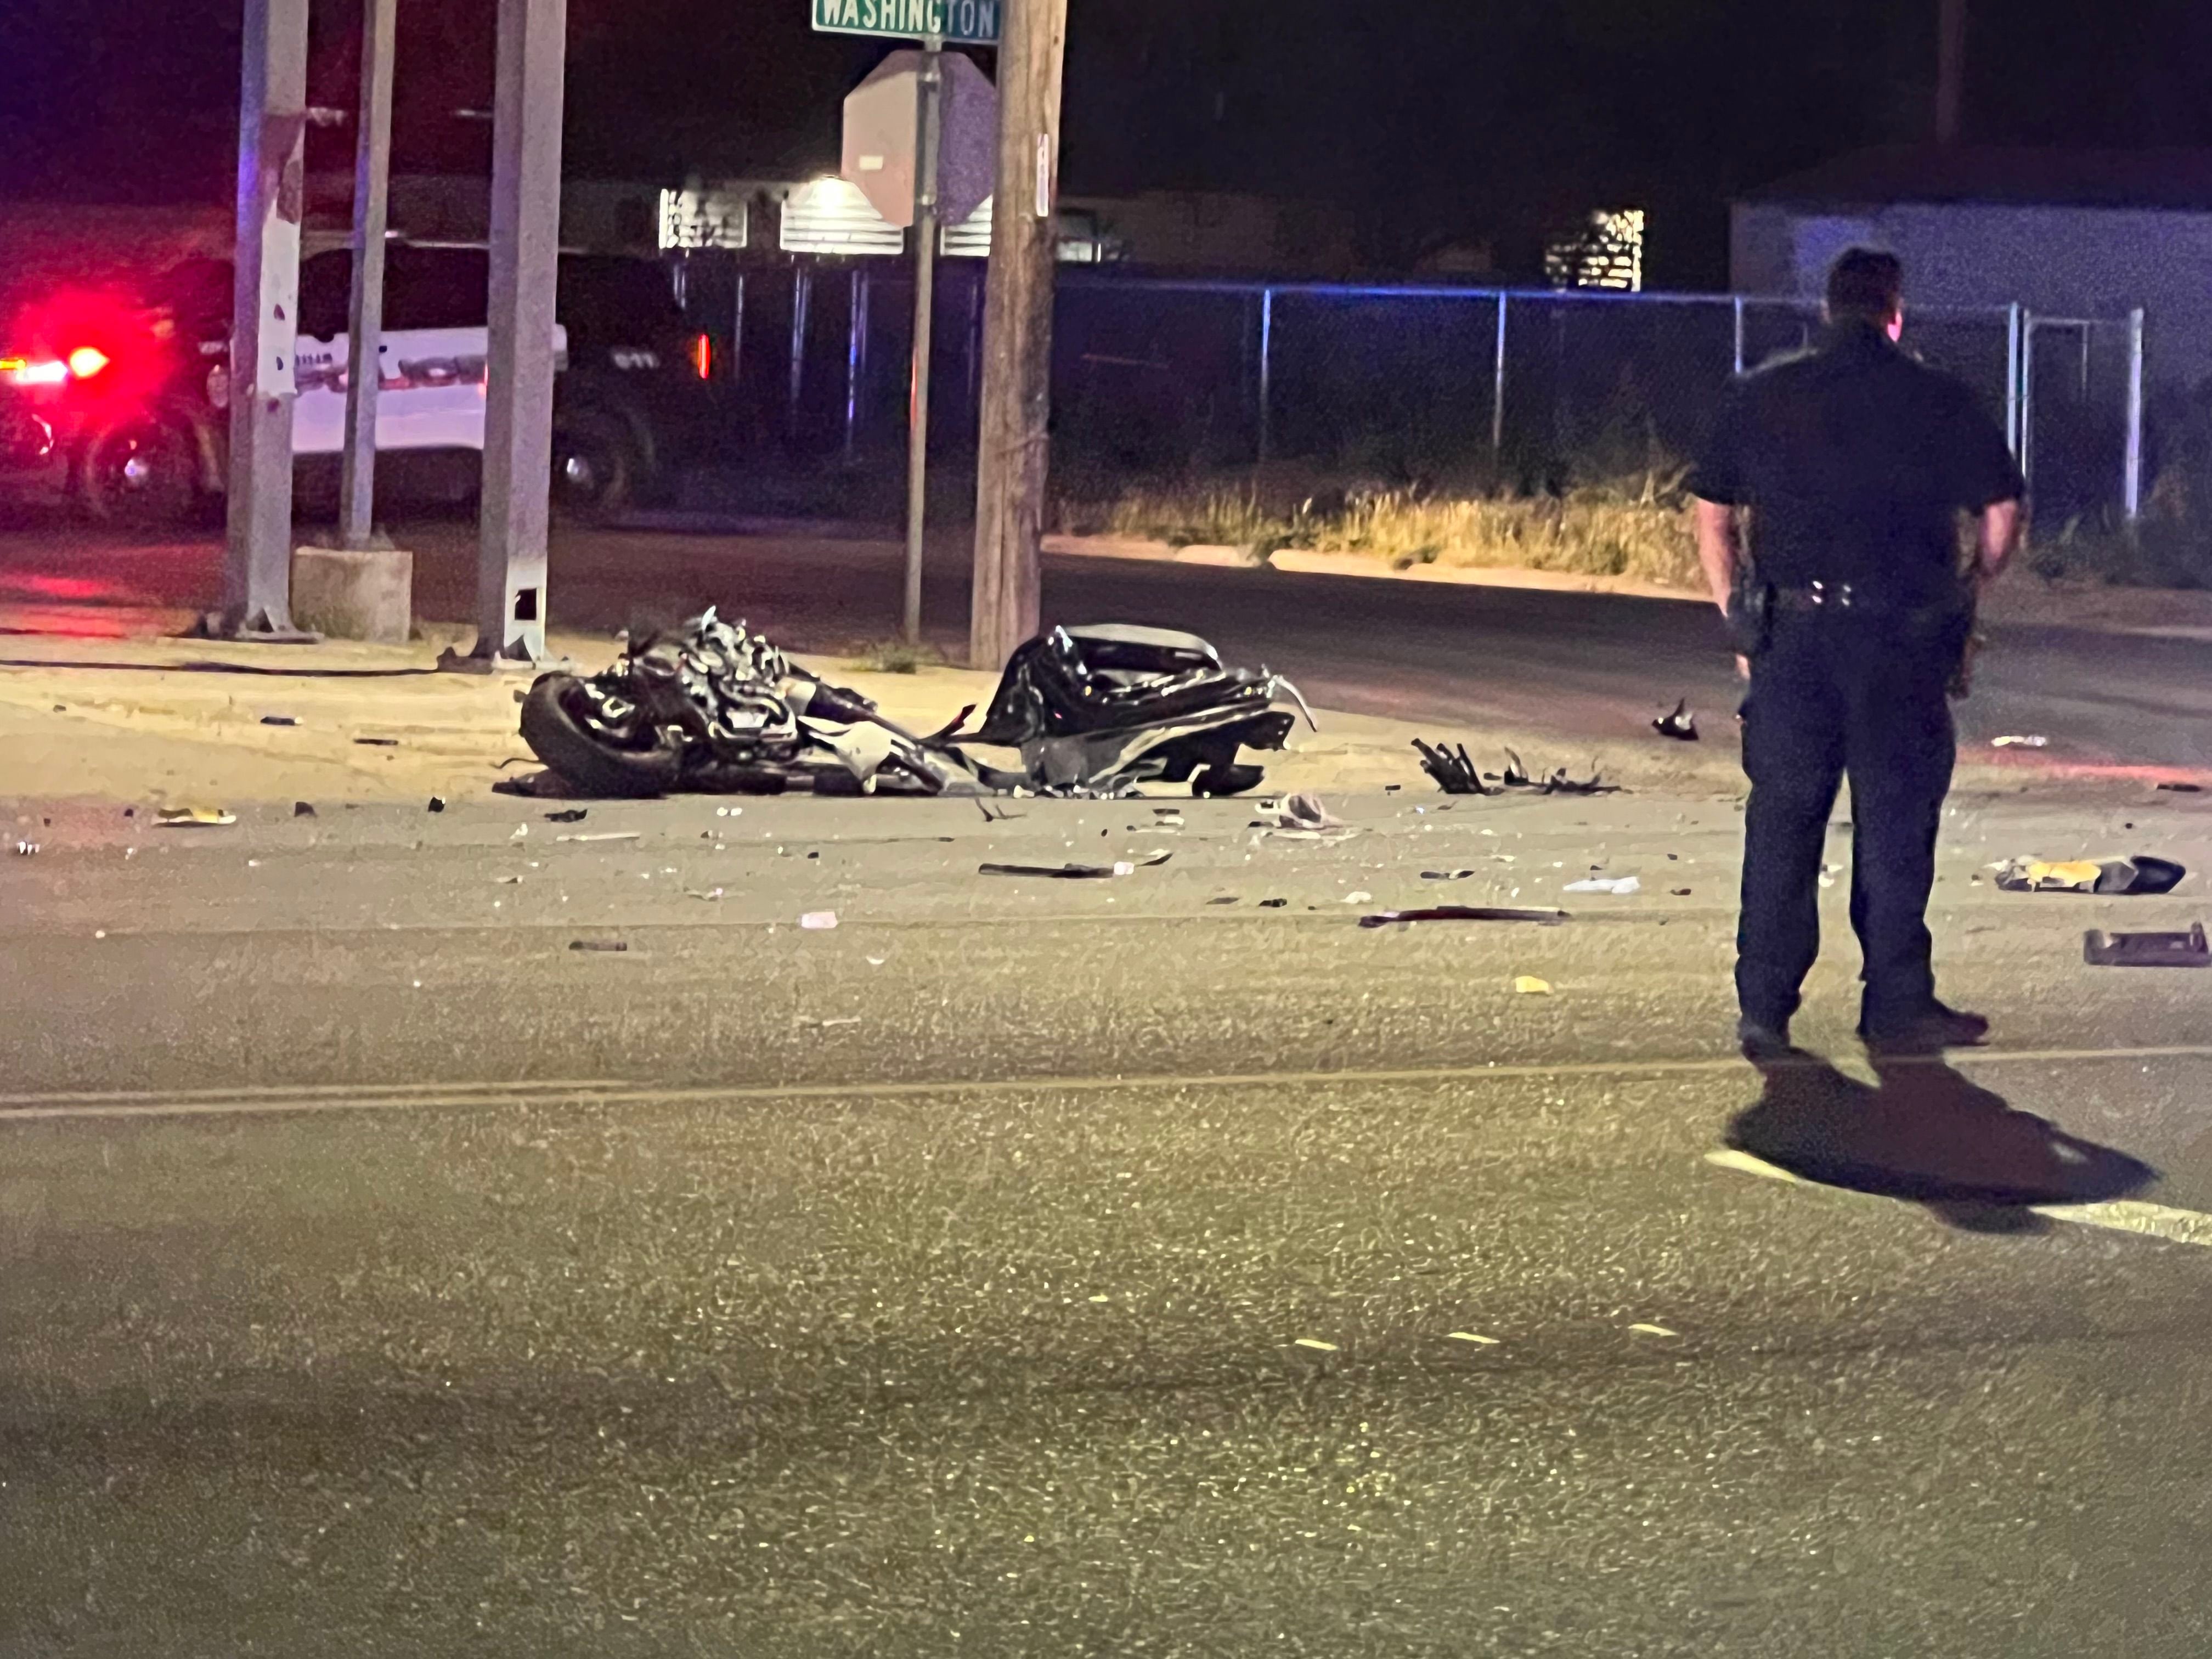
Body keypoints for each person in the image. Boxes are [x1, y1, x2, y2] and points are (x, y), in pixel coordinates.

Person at [1687, 249, 2024, 1062]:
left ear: (1829, 310)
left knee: (1783, 824)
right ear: (1895, 312)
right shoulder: (1940, 400)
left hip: (1794, 641)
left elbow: (1710, 515)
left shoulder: (1764, 394)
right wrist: (1969, 593)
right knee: (1897, 829)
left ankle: (1765, 1005)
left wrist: (1740, 619)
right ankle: (1896, 1004)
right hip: (1900, 643)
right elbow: (2001, 519)